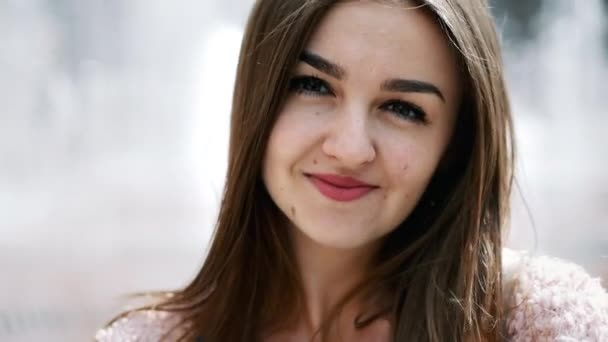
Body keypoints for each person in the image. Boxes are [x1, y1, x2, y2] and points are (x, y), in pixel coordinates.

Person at [95, 0, 608, 341]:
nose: (349, 147)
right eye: (313, 86)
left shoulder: (539, 324)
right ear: (259, 96)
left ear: (453, 147)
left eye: (404, 109)